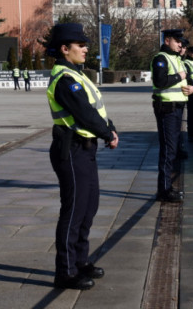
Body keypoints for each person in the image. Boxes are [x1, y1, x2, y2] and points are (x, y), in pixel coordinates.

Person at [45, 23, 119, 290]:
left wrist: (109, 127)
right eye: (81, 45)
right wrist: (108, 134)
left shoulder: (77, 75)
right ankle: (65, 272)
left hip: (86, 150)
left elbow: (95, 108)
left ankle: (80, 261)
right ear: (66, 49)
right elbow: (83, 113)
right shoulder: (64, 79)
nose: (86, 48)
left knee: (89, 207)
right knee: (74, 211)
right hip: (72, 149)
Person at [151, 29, 193, 203]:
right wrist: (180, 76)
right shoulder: (161, 58)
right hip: (166, 108)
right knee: (168, 150)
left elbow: (187, 80)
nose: (180, 45)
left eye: (182, 42)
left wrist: (192, 88)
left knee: (174, 148)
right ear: (167, 40)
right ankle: (163, 190)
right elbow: (160, 82)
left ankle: (168, 186)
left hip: (177, 107)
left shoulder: (177, 58)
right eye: (177, 41)